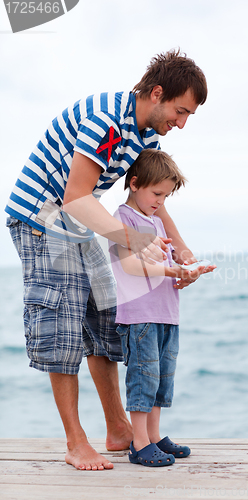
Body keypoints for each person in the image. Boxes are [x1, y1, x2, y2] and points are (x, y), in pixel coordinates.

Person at [5, 49, 208, 471]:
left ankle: (119, 429)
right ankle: (75, 442)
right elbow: (76, 194)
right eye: (180, 111)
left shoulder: (147, 137)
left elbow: (152, 202)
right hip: (41, 217)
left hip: (79, 221)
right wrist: (131, 241)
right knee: (61, 322)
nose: (182, 123)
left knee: (104, 316)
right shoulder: (106, 120)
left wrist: (180, 251)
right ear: (156, 94)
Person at [109, 149, 215, 467]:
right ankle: (139, 442)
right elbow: (128, 264)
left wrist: (189, 269)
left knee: (161, 378)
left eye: (166, 196)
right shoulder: (122, 219)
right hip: (139, 314)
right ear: (135, 183)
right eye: (156, 193)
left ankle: (154, 436)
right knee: (144, 377)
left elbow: (174, 259)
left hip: (166, 311)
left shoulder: (157, 220)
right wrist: (171, 271)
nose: (160, 201)